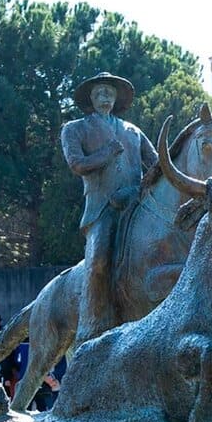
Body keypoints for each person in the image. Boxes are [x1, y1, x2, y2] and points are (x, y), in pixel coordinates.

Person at [60, 73, 159, 343]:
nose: (105, 96)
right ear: (90, 98)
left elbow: (157, 165)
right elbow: (77, 164)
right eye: (99, 91)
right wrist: (106, 153)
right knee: (100, 258)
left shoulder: (133, 131)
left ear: (117, 98)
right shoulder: (75, 128)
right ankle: (90, 324)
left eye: (110, 92)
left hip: (136, 204)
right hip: (102, 207)